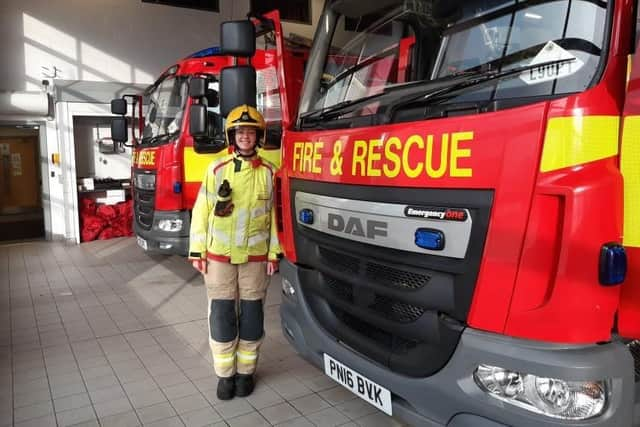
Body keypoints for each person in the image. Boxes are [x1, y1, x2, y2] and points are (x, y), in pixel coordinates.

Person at [188, 105, 281, 400]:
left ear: (258, 137)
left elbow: (276, 217)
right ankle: (225, 376)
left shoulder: (269, 173)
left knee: (252, 317)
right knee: (222, 316)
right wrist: (196, 250)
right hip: (218, 258)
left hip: (255, 258)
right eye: (240, 131)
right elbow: (201, 211)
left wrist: (273, 253)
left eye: (250, 132)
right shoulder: (216, 169)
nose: (245, 136)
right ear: (232, 135)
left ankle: (246, 373)